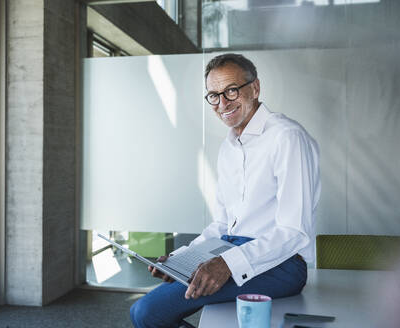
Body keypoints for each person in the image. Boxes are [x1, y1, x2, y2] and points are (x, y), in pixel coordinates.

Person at [130, 53, 321, 328]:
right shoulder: (229, 147)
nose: (222, 103)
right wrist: (183, 256)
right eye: (214, 95)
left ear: (255, 88)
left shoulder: (287, 137)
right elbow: (223, 224)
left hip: (283, 264)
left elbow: (294, 231)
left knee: (146, 313)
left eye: (231, 91)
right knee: (148, 312)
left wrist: (227, 264)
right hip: (230, 248)